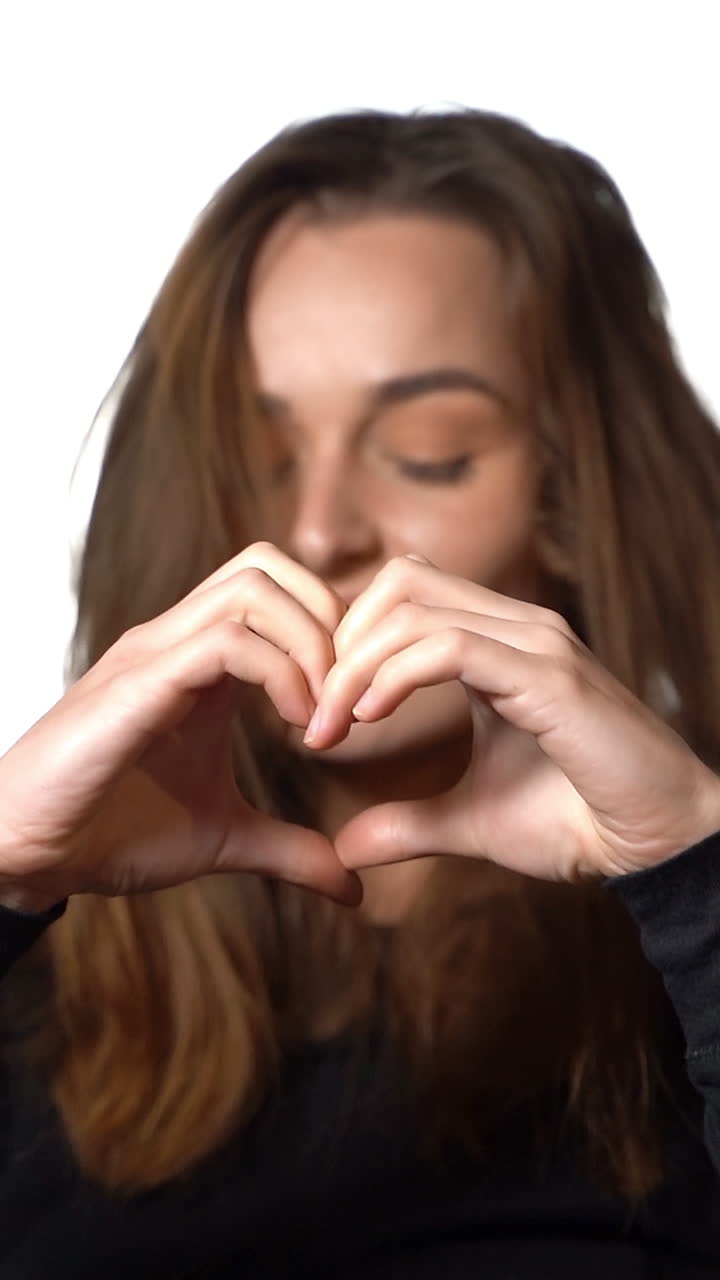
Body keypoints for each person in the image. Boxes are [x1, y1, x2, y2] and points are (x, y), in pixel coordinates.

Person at [1, 107, 720, 1278]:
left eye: (430, 451)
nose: (318, 530)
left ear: (578, 498)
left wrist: (694, 863)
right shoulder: (42, 974)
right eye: (258, 457)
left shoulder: (687, 949)